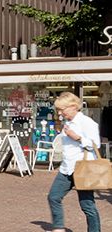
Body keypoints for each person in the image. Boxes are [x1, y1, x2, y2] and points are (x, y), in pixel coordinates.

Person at [47, 91, 101, 232]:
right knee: (53, 197)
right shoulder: (67, 123)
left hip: (83, 169)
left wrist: (77, 137)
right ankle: (58, 228)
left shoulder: (87, 122)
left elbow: (96, 144)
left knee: (87, 205)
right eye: (58, 110)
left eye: (62, 109)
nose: (60, 113)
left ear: (73, 106)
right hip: (66, 168)